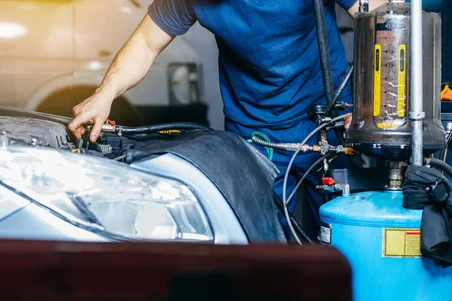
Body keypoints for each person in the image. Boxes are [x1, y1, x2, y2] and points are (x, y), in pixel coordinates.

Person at [68, 0, 388, 236]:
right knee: (264, 249)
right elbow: (146, 43)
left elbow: (382, 16)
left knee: (349, 237)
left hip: (328, 122)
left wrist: (371, 105)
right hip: (253, 133)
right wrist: (105, 93)